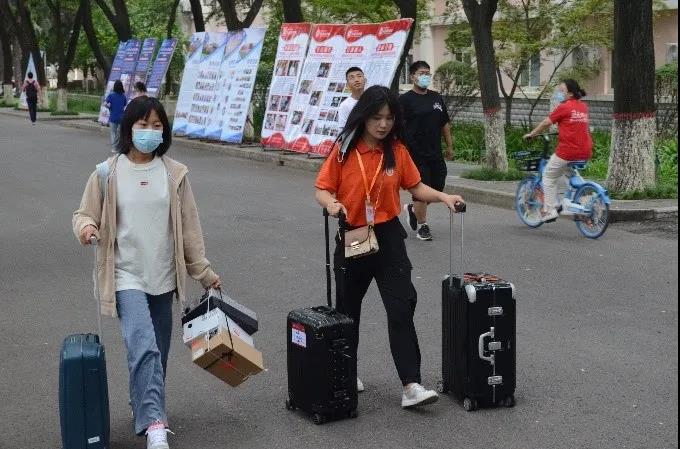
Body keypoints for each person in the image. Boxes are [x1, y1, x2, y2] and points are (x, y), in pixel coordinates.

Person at [73, 96, 221, 449]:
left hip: (164, 276)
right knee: (144, 347)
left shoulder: (174, 174)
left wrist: (204, 273)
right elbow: (84, 213)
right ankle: (155, 423)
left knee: (158, 352)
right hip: (125, 276)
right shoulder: (107, 172)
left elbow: (189, 230)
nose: (150, 131)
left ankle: (143, 402)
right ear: (129, 128)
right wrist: (87, 228)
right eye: (143, 125)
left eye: (157, 126)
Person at [315, 85, 465, 408]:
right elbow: (322, 188)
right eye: (376, 117)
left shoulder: (396, 150)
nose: (383, 124)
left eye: (389, 118)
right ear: (363, 116)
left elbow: (416, 186)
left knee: (401, 306)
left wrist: (443, 197)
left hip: (388, 237)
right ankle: (346, 372)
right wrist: (331, 204)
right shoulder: (343, 149)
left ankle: (411, 385)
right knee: (347, 311)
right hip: (354, 235)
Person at [523, 79, 593, 222]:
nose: (559, 94)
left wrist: (532, 134)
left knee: (548, 176)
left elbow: (546, 123)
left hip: (568, 151)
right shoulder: (583, 107)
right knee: (569, 173)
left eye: (562, 91)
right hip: (585, 150)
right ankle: (582, 200)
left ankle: (550, 210)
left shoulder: (564, 107)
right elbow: (574, 125)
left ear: (570, 93)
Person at [399, 61, 454, 241]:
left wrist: (449, 146)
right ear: (413, 76)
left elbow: (444, 123)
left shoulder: (436, 97)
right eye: (421, 73)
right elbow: (398, 128)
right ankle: (423, 226)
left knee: (437, 187)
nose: (425, 76)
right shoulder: (405, 100)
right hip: (415, 154)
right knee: (420, 190)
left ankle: (413, 209)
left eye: (427, 73)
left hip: (435, 152)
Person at [105, 80, 128, 153]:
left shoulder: (111, 95)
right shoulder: (123, 96)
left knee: (113, 133)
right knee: (119, 133)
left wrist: (109, 107)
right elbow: (125, 105)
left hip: (113, 117)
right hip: (121, 117)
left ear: (114, 86)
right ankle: (119, 147)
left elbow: (105, 103)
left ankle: (114, 148)